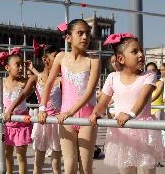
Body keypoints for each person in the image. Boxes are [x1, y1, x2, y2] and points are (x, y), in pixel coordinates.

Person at [89, 33, 163, 174]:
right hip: (122, 132)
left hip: (144, 130)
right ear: (121, 58)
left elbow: (142, 98)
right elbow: (103, 102)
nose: (141, 54)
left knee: (146, 171)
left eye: (141, 50)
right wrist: (95, 113)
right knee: (126, 171)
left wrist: (130, 114)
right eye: (134, 51)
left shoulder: (149, 75)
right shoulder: (112, 77)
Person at [40, 19, 101, 174]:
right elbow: (48, 84)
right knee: (69, 165)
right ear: (68, 37)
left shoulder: (94, 60)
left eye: (87, 34)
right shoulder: (61, 57)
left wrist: (71, 112)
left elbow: (89, 92)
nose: (85, 37)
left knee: (85, 167)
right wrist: (42, 108)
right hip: (65, 118)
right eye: (80, 33)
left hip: (87, 118)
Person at [8, 41, 62, 174]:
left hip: (57, 122)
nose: (60, 61)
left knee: (56, 163)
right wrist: (10, 109)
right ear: (45, 59)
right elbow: (22, 95)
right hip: (42, 121)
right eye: (56, 57)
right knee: (39, 161)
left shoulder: (62, 79)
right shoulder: (35, 79)